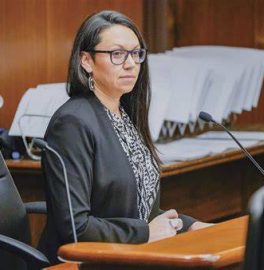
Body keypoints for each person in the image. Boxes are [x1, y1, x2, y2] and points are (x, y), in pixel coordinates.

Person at [39, 10, 210, 263]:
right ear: (86, 60)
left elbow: (137, 209)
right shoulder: (72, 124)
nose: (130, 63)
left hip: (130, 256)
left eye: (136, 53)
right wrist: (145, 233)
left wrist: (188, 225)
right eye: (117, 54)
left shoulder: (124, 115)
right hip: (85, 263)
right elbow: (75, 227)